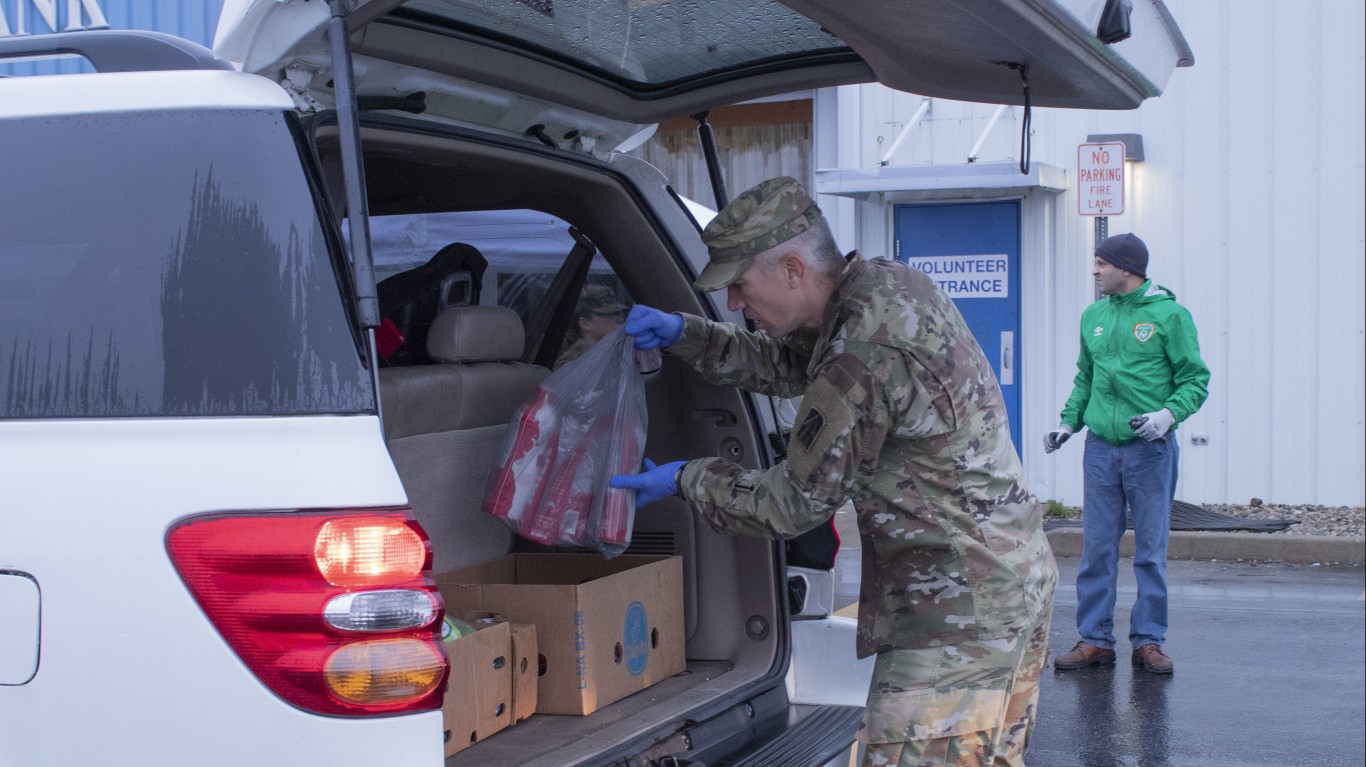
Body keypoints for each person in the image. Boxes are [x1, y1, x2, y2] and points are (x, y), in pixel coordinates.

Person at [610, 177, 1057, 766]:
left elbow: (794, 502)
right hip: (998, 588)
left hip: (957, 614)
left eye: (741, 286)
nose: (736, 304)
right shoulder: (878, 288)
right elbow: (792, 365)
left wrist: (685, 479)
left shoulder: (863, 348)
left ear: (793, 269)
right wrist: (688, 336)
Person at [1043, 233, 1210, 675]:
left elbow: (1195, 380)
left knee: (1150, 551)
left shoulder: (1170, 316)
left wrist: (1168, 416)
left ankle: (1149, 641)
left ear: (1127, 269)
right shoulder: (1094, 316)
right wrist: (1068, 422)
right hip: (1100, 448)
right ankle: (1094, 639)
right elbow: (1086, 378)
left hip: (1149, 450)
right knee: (1097, 549)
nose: (1095, 271)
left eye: (1101, 263)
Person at [553, 284, 629, 370]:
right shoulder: (572, 365)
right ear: (585, 323)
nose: (620, 319)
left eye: (619, 313)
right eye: (610, 314)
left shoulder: (613, 352)